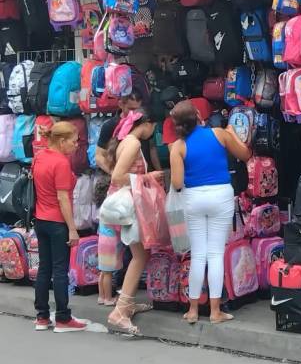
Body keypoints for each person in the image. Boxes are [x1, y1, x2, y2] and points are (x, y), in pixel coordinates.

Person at [169, 100, 251, 324]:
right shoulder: (219, 134)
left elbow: (176, 183)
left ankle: (193, 310)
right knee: (215, 254)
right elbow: (245, 155)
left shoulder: (178, 146)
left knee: (198, 254)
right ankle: (215, 312)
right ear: (197, 115)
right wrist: (233, 133)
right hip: (221, 195)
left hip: (194, 198)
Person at [100, 109, 162, 335]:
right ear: (146, 124)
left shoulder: (126, 140)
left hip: (123, 204)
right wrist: (149, 177)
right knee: (139, 256)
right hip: (126, 205)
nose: (153, 133)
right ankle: (120, 311)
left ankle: (127, 303)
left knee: (139, 254)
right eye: (154, 128)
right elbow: (117, 176)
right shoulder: (134, 143)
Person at [32, 121, 88, 333]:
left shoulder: (39, 157)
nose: (76, 145)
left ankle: (42, 316)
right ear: (62, 141)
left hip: (41, 220)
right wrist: (72, 228)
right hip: (58, 222)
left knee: (44, 269)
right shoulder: (61, 163)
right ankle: (63, 318)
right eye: (74, 142)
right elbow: (63, 198)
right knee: (60, 270)